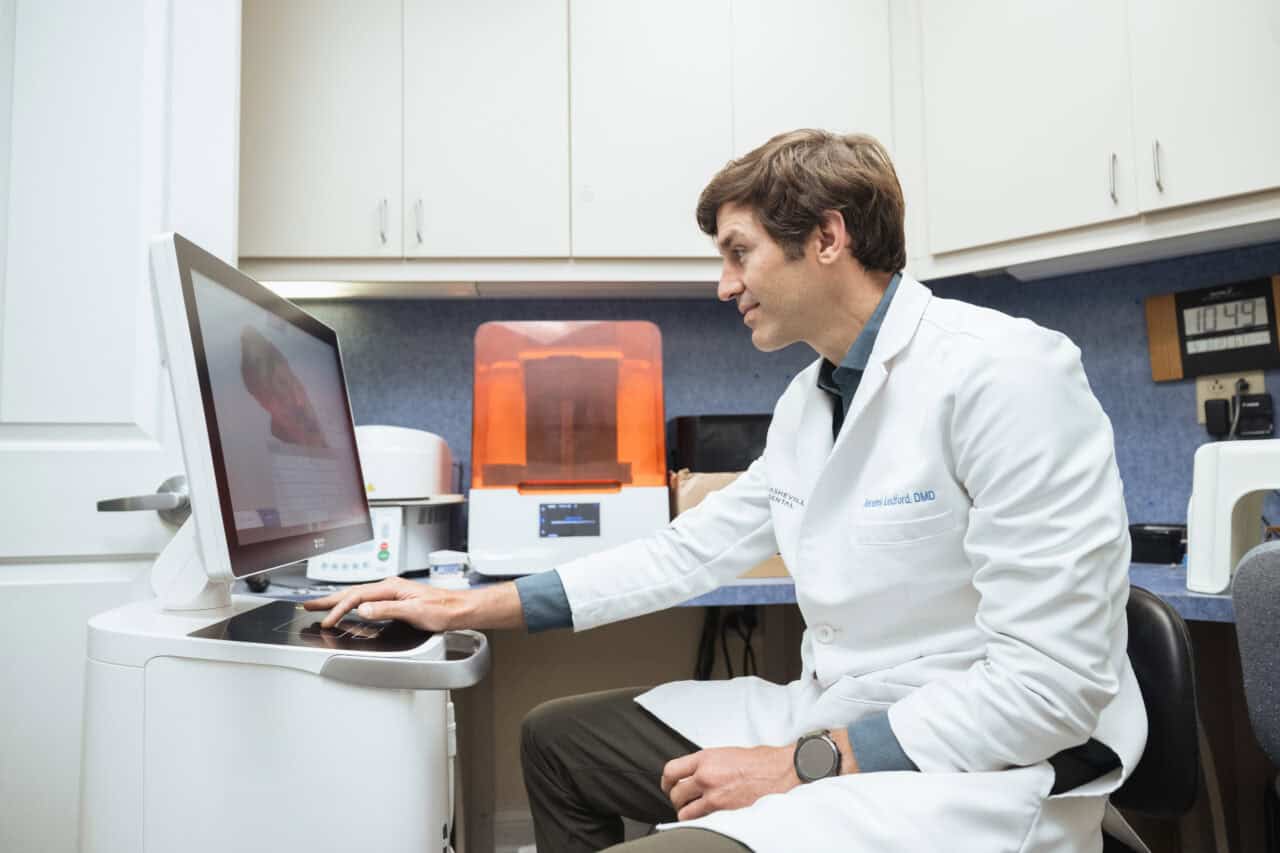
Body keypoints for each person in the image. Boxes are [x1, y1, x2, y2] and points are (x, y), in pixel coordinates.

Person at [306, 130, 1146, 852]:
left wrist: (800, 764)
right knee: (557, 741)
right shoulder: (807, 403)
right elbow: (685, 552)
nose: (723, 284)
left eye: (738, 251)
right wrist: (456, 609)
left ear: (827, 236)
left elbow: (1051, 687)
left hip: (982, 762)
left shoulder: (1006, 373)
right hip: (833, 714)